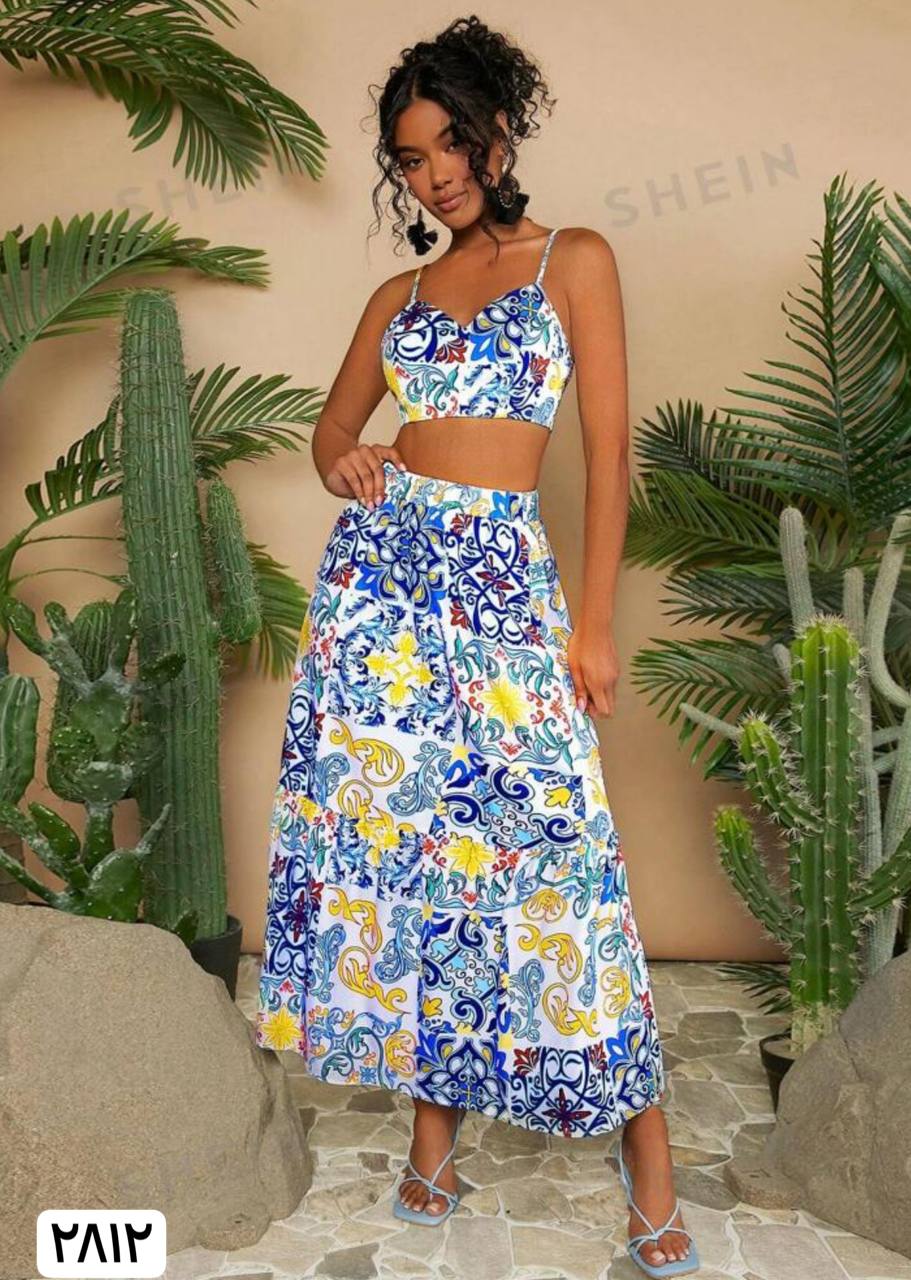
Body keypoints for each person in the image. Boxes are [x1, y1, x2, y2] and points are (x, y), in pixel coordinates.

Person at [255, 14, 699, 1276]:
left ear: (497, 130)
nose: (435, 172)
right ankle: (431, 1145)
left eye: (451, 141)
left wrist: (594, 621)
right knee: (416, 861)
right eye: (410, 157)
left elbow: (607, 454)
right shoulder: (394, 296)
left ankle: (649, 1168)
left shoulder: (573, 259)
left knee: (560, 859)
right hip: (382, 598)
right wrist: (348, 461)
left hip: (502, 586)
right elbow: (331, 433)